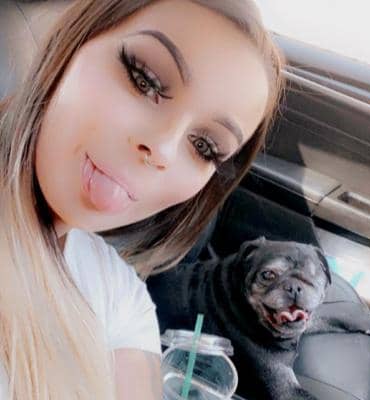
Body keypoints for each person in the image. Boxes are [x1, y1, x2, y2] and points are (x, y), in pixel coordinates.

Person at [0, 0, 284, 399]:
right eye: (144, 81)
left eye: (203, 146)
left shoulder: (118, 290)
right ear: (70, 45)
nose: (163, 150)